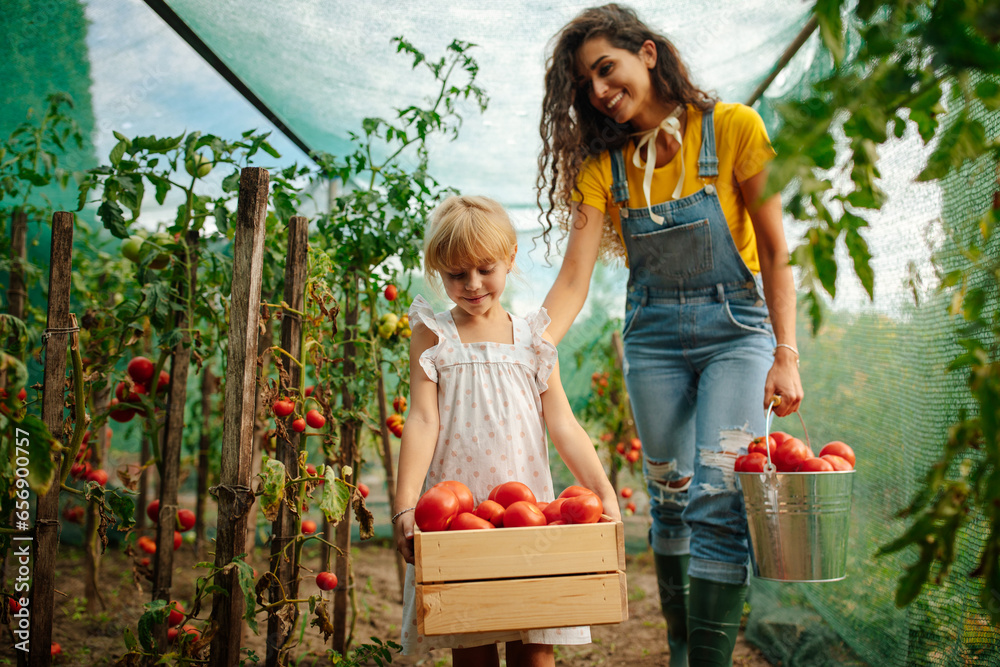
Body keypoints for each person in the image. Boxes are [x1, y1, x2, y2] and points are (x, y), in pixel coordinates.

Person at [537, 5, 804, 666]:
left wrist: (786, 353)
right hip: (652, 339)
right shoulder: (607, 164)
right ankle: (682, 645)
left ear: (648, 54)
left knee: (719, 491)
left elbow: (775, 252)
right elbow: (572, 278)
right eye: (585, 85)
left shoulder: (734, 128)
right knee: (672, 495)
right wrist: (530, 343)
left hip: (737, 336)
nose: (598, 90)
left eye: (606, 68)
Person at [392, 195, 621, 667]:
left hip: (528, 514)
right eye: (457, 274)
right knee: (471, 641)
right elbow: (421, 419)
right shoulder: (433, 335)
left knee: (535, 647)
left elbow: (563, 423)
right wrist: (405, 507)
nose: (473, 284)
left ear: (510, 259)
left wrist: (604, 491)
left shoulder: (533, 339)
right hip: (459, 520)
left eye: (484, 269)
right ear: (439, 272)